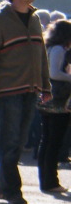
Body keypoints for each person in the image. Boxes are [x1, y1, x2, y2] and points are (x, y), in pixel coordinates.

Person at [0, 0, 51, 204]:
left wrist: (46, 85)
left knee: (19, 141)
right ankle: (13, 192)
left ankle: (1, 188)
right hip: (8, 89)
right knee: (10, 140)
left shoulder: (34, 18)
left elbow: (40, 54)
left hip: (31, 89)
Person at [37, 19, 71, 193]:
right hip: (57, 101)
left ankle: (45, 179)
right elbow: (55, 73)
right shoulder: (58, 49)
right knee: (54, 143)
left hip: (46, 100)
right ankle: (50, 181)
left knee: (47, 141)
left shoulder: (48, 47)